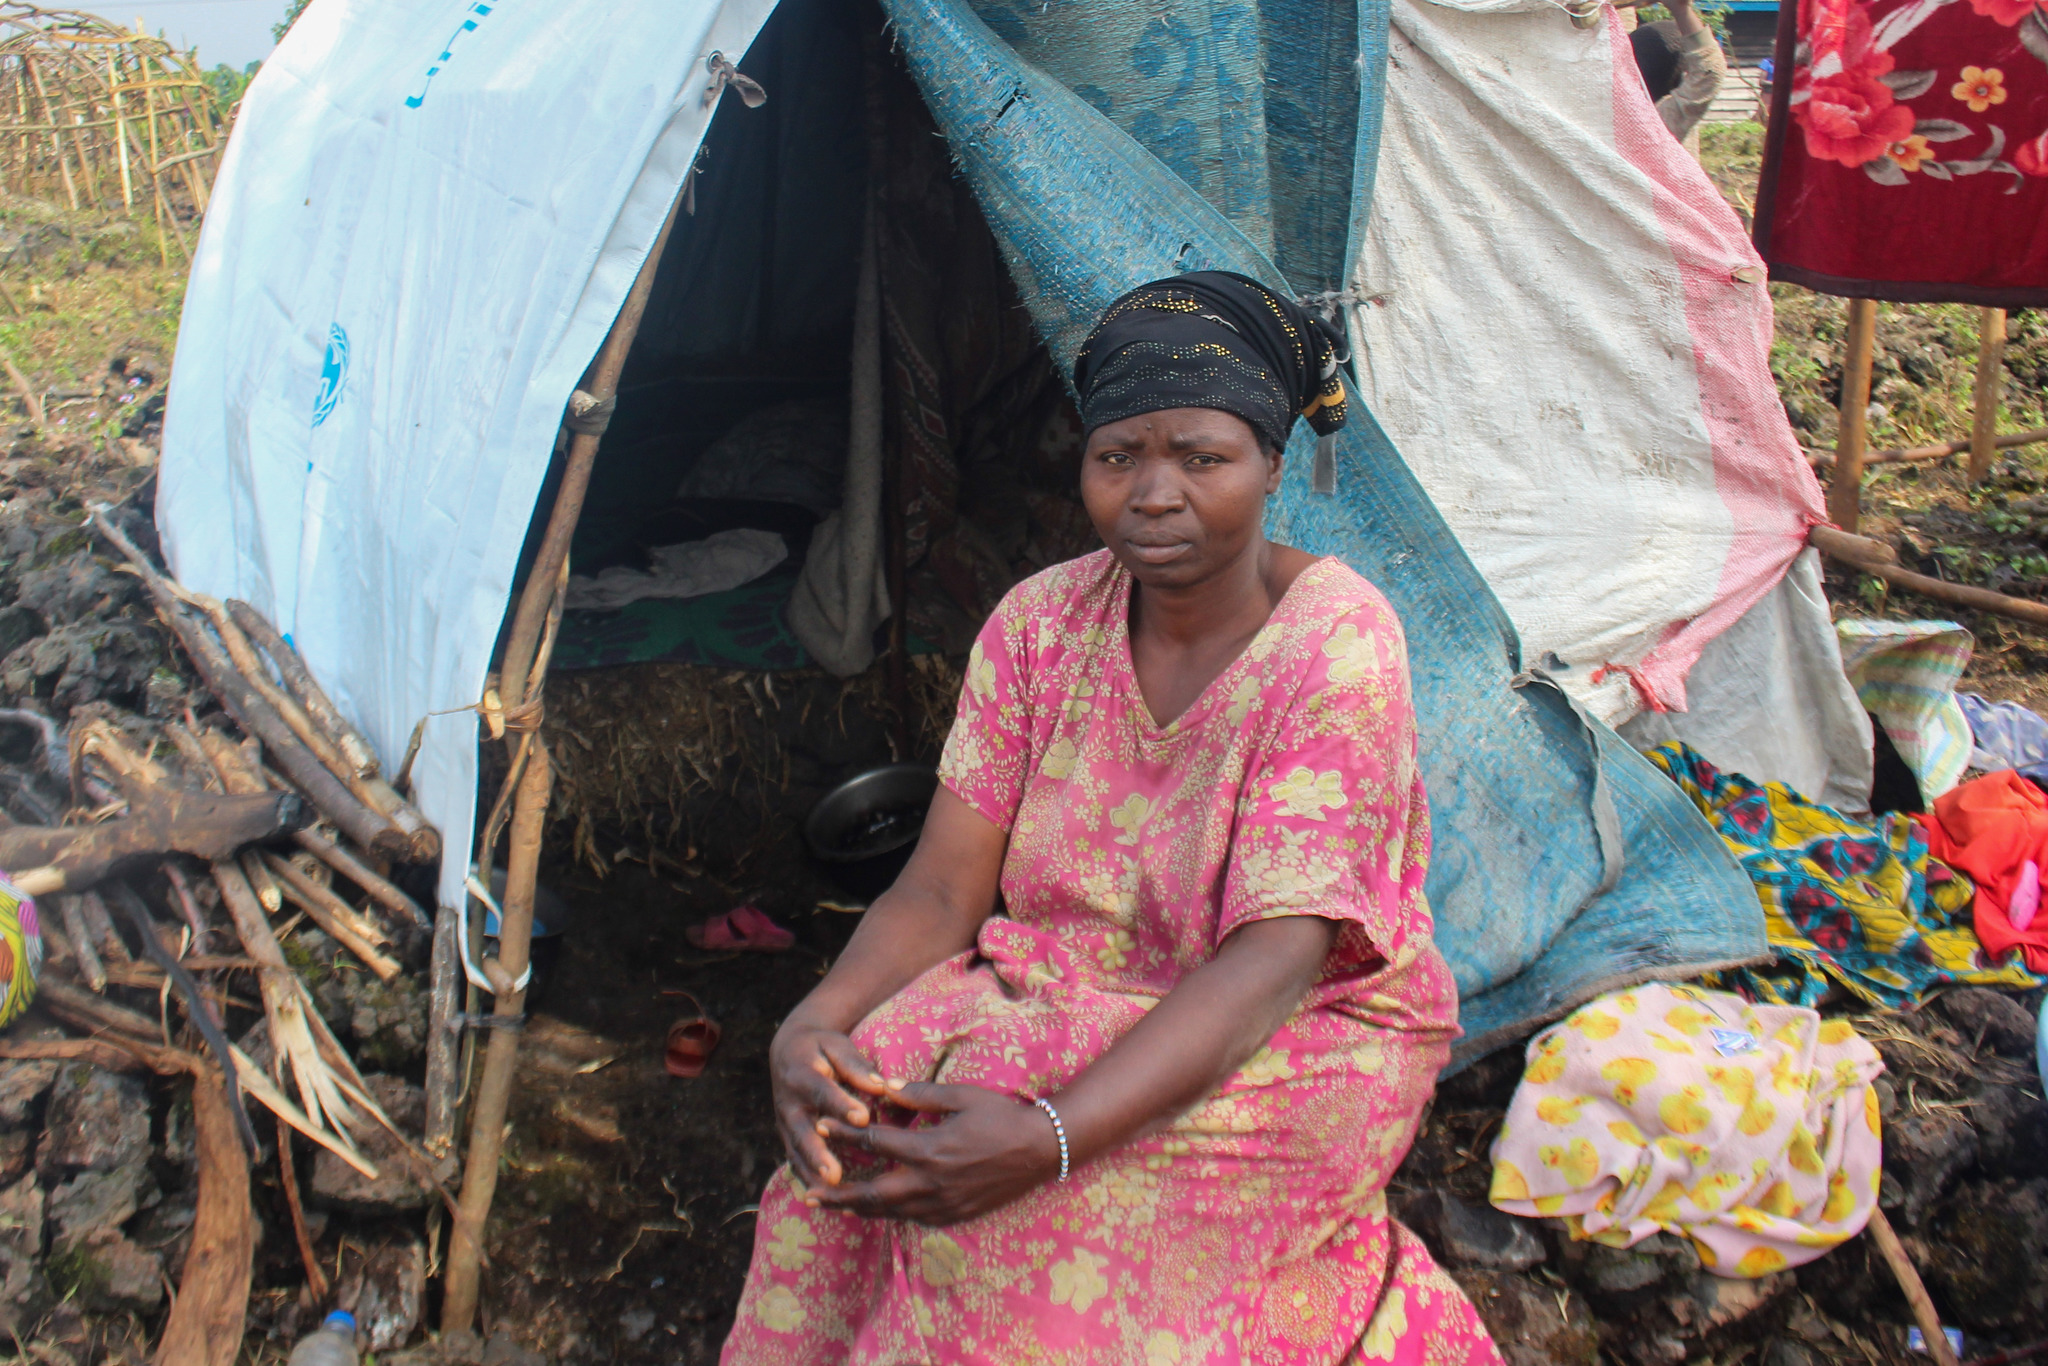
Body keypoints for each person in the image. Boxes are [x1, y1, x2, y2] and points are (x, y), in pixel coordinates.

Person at [722, 272, 1501, 1365]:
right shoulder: (1038, 627)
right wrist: (813, 1023)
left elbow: (1281, 954)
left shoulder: (1333, 642)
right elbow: (942, 888)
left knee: (1023, 1242)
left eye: (1202, 456)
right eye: (1117, 456)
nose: (1153, 493)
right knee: (853, 1152)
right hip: (1067, 985)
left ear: (1273, 465)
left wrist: (1045, 1138)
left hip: (1296, 1033)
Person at [1629, 0, 1728, 143]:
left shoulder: (1609, 116)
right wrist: (1681, 10)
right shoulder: (1657, 124)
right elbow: (1709, 72)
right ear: (1683, 75)